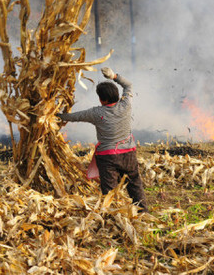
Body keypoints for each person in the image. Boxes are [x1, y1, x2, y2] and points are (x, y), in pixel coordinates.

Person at [57, 67, 148, 212]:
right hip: (129, 153)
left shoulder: (96, 113)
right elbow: (129, 85)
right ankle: (143, 211)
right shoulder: (125, 105)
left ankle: (111, 215)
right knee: (134, 183)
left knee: (109, 190)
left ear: (102, 99)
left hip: (108, 158)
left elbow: (74, 117)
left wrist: (57, 115)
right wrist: (114, 76)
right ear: (117, 95)